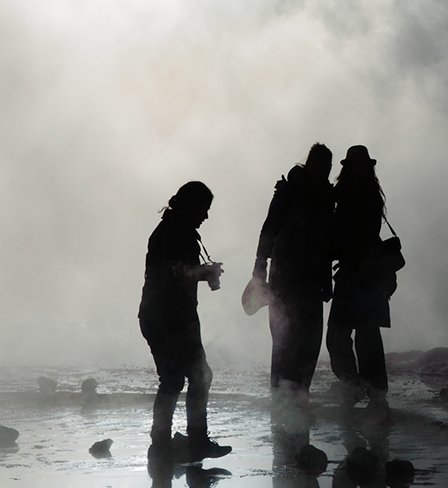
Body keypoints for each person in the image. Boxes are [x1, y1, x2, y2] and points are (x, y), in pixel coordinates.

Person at [138, 181, 231, 462]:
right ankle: (192, 442)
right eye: (204, 209)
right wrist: (204, 272)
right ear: (192, 206)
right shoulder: (178, 232)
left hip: (162, 316)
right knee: (194, 377)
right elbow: (176, 273)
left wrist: (202, 271)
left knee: (174, 380)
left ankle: (162, 444)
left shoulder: (169, 229)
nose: (205, 216)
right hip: (171, 318)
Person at [251, 144, 335, 410]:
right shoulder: (289, 191)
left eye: (327, 167)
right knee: (285, 340)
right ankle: (281, 402)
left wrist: (325, 279)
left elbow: (325, 242)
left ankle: (299, 399)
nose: (323, 171)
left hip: (309, 278)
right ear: (310, 165)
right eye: (320, 166)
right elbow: (269, 228)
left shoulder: (326, 197)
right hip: (285, 277)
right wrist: (259, 269)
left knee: (310, 342)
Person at [325, 145, 392, 411]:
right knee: (360, 335)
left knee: (350, 335)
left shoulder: (357, 197)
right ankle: (369, 391)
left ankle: (360, 388)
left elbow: (357, 236)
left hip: (360, 273)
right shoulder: (361, 195)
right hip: (361, 273)